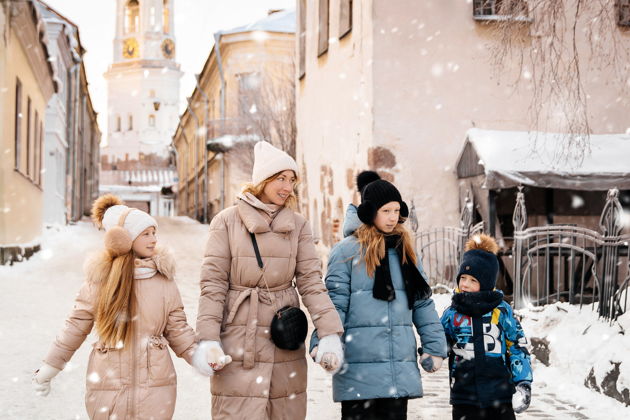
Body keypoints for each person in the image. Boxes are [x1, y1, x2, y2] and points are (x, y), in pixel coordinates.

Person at [195, 141, 345, 419]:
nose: (287, 187)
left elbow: (311, 282)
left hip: (284, 337)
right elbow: (213, 285)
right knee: (238, 411)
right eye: (281, 178)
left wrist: (329, 334)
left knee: (285, 411)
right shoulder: (226, 222)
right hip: (239, 338)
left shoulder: (298, 225)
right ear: (262, 180)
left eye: (292, 180)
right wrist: (208, 339)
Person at [32, 195, 205, 419]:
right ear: (124, 239)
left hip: (156, 386)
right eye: (146, 234)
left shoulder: (164, 281)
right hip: (108, 382)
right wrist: (50, 367)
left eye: (154, 233)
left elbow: (178, 329)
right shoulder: (100, 280)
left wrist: (202, 358)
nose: (153, 239)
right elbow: (75, 326)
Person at [311, 177, 448, 420]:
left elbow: (422, 302)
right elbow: (334, 302)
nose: (393, 217)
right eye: (386, 211)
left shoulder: (407, 250)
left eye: (396, 210)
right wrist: (322, 341)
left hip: (397, 368)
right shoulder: (346, 252)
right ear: (370, 212)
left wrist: (434, 346)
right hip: (358, 368)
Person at [441, 234, 533, 420]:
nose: (465, 284)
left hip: (499, 394)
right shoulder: (452, 313)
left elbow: (517, 346)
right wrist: (430, 353)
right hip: (464, 396)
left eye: (473, 280)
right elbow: (439, 341)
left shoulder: (501, 311)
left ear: (486, 283)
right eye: (463, 278)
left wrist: (523, 383)